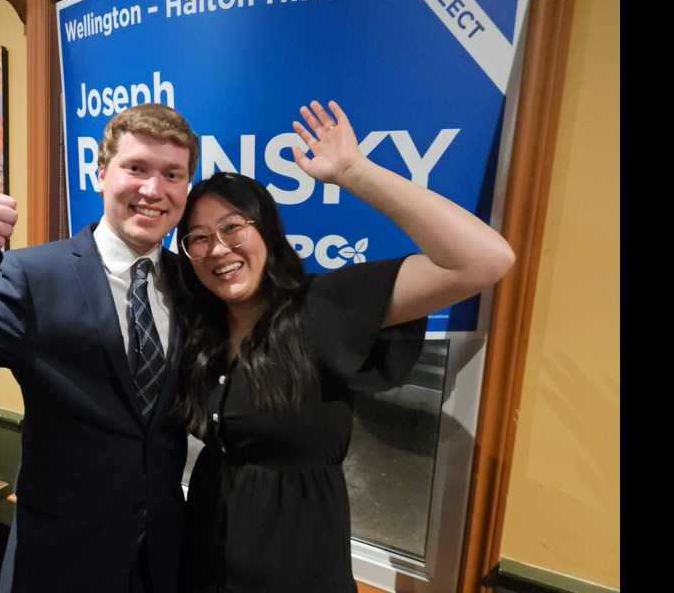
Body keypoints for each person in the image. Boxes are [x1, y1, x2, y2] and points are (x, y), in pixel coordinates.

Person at [175, 100, 515, 593]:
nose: (218, 249)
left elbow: (485, 260)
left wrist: (356, 172)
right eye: (198, 238)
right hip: (204, 566)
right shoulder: (202, 331)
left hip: (298, 575)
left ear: (266, 230)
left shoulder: (322, 306)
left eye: (232, 227)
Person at [0, 103, 200, 593]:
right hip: (59, 562)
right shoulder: (32, 276)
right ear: (100, 174)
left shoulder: (192, 285)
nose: (153, 190)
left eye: (172, 174)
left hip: (161, 560)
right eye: (135, 168)